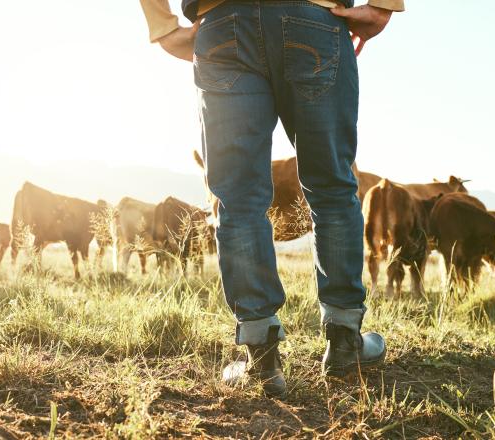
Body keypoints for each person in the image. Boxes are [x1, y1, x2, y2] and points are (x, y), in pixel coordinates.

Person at [139, 0, 404, 399]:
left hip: (223, 23)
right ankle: (345, 342)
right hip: (314, 19)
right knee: (332, 189)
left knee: (238, 199)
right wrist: (383, 6)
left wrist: (162, 25)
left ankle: (261, 357)